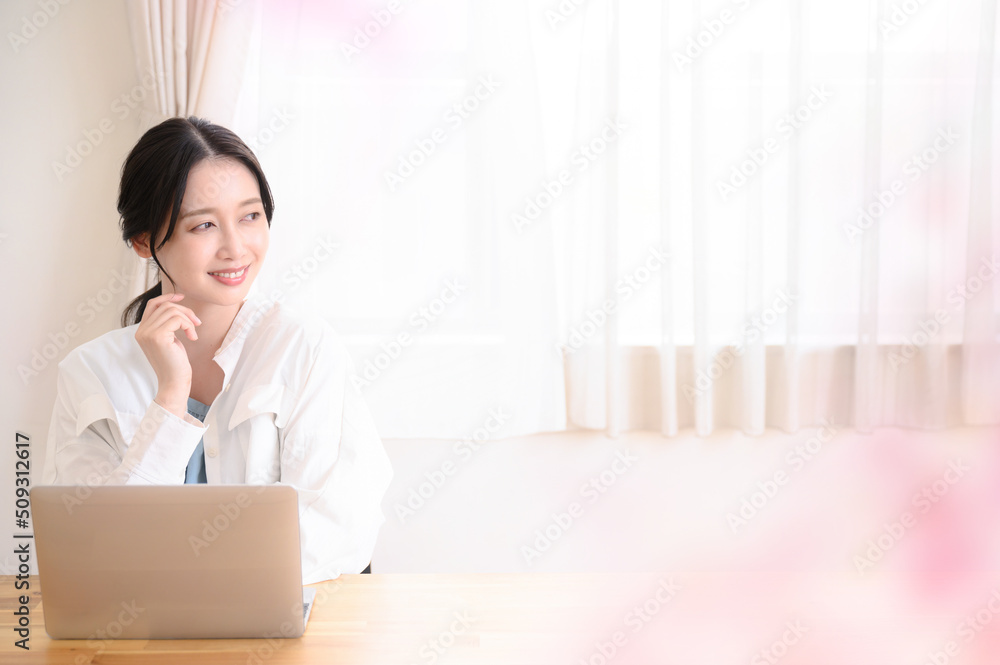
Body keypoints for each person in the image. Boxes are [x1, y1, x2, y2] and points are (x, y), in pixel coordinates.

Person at [40, 116, 392, 582]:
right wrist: (171, 397)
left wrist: (189, 578)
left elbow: (335, 532)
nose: (235, 248)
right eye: (204, 225)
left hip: (277, 619)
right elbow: (94, 551)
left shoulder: (303, 348)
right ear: (144, 241)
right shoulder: (90, 374)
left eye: (250, 216)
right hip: (140, 624)